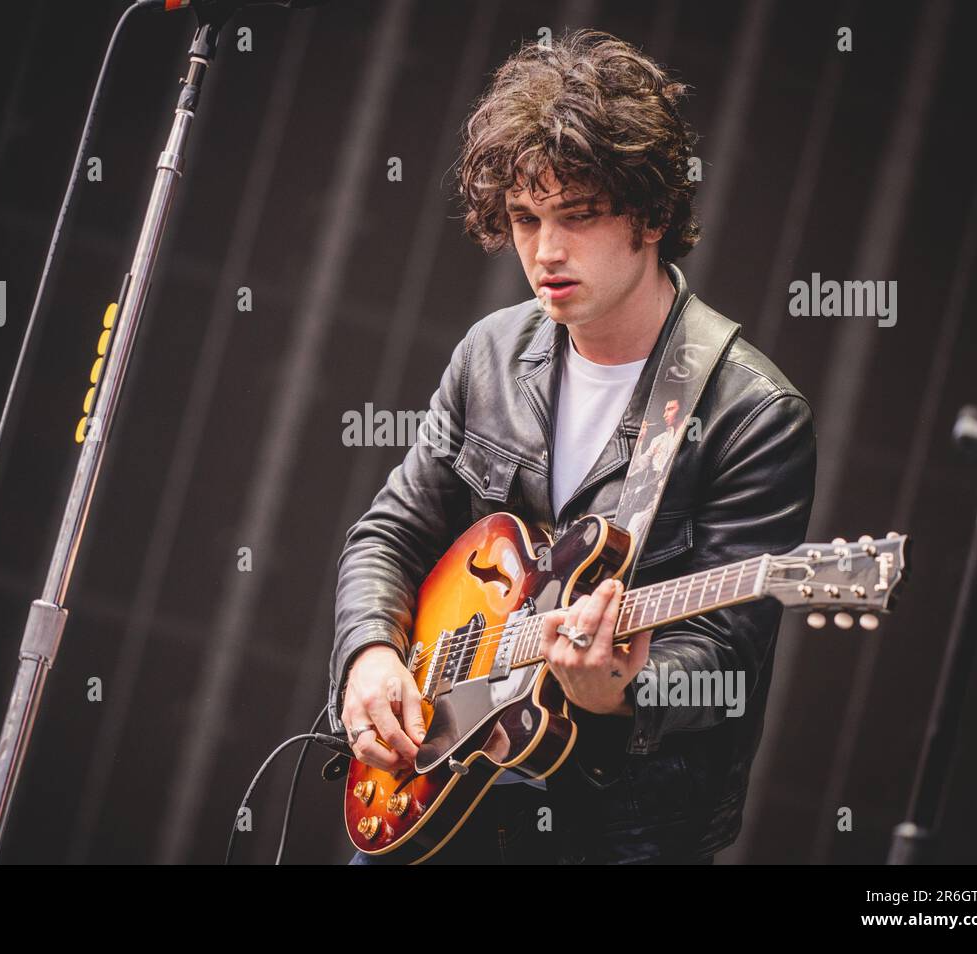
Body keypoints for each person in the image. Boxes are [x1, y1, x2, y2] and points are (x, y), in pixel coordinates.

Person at [329, 29, 816, 864]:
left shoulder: (751, 413)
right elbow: (389, 533)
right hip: (445, 793)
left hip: (624, 833)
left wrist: (618, 689)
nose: (545, 251)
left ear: (654, 213)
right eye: (525, 219)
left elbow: (729, 660)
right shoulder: (489, 354)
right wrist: (369, 653)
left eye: (578, 217)